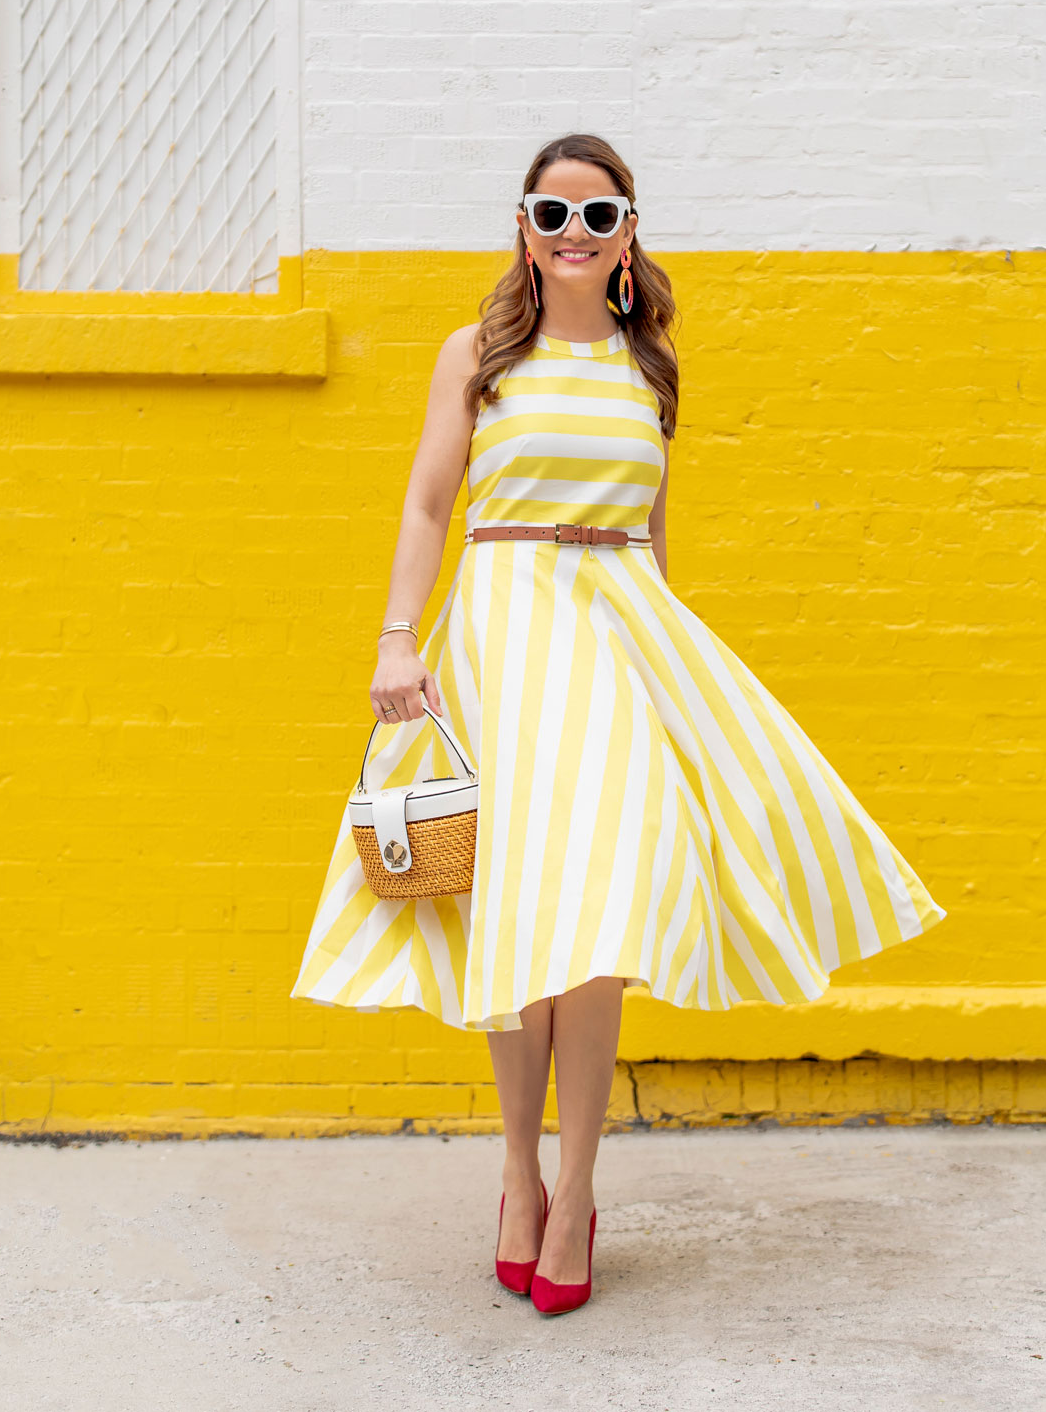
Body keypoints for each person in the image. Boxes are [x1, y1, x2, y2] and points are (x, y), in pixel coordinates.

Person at [292, 131, 944, 1314]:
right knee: (515, 916)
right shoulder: (476, 358)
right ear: (523, 230)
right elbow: (431, 502)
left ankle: (579, 1188)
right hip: (501, 633)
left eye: (599, 217)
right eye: (551, 214)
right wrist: (398, 638)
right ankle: (516, 1176)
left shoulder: (652, 372)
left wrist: (676, 671)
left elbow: (653, 538)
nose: (574, 236)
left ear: (630, 234)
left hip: (618, 638)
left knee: (595, 920)